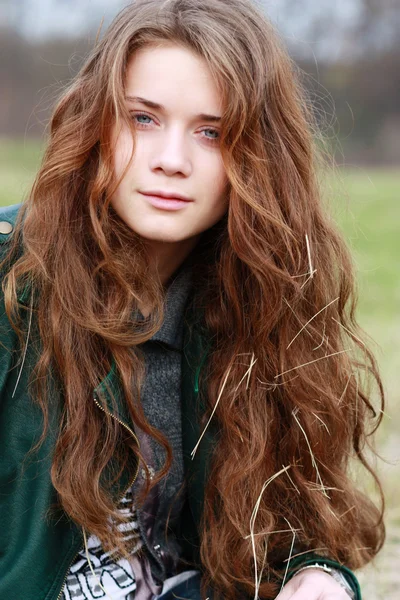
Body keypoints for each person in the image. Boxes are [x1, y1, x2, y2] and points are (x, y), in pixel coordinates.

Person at [0, 1, 385, 599]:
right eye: (143, 119)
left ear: (259, 159)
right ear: (95, 123)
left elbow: (282, 537)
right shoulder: (10, 278)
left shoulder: (262, 303)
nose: (171, 161)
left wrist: (319, 579)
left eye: (212, 132)